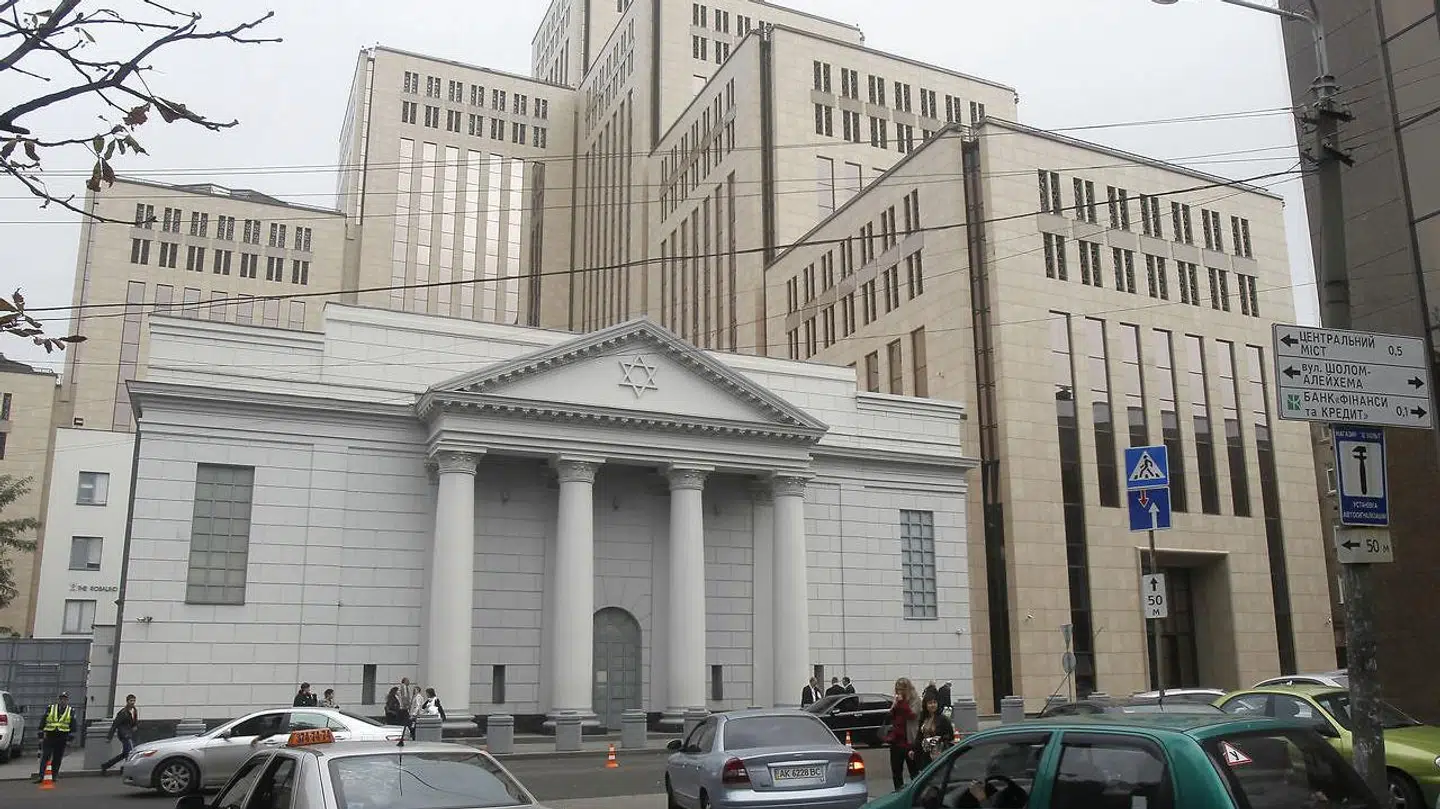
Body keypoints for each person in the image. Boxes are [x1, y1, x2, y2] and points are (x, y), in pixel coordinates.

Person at [884, 678, 922, 790]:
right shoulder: (897, 700)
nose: (899, 692)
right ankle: (898, 793)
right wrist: (895, 705)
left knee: (913, 772)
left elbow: (912, 715)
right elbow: (890, 715)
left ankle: (916, 793)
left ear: (908, 689)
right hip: (896, 741)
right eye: (897, 689)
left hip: (909, 741)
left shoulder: (915, 700)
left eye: (902, 689)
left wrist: (901, 702)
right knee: (896, 772)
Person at [35, 691, 75, 781]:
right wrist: (41, 736)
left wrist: (69, 740)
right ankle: (41, 776)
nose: (63, 701)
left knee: (57, 757)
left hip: (62, 737)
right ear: (58, 700)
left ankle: (54, 775)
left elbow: (73, 726)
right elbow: (43, 721)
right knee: (45, 756)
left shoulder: (70, 711)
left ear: (67, 700)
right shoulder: (50, 708)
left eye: (65, 699)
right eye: (61, 699)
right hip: (50, 735)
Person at [913, 688, 955, 770]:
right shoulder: (923, 717)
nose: (933, 705)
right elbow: (919, 735)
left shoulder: (943, 719)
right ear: (925, 705)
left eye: (935, 702)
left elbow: (950, 736)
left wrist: (938, 739)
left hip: (938, 753)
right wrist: (914, 749)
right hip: (925, 753)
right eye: (930, 703)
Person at [100, 694, 140, 775]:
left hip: (129, 734)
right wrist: (109, 737)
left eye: (134, 701)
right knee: (130, 751)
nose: (132, 702)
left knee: (126, 753)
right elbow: (115, 725)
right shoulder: (123, 713)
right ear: (127, 701)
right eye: (131, 701)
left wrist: (135, 726)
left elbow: (134, 721)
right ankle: (124, 769)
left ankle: (106, 766)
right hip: (124, 735)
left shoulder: (134, 710)